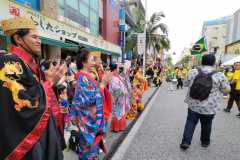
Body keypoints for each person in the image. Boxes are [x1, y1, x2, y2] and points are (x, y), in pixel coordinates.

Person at [0, 17, 66, 159]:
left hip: (40, 129)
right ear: (18, 39)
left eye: (39, 37)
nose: (39, 41)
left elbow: (38, 90)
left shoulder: (29, 63)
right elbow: (22, 103)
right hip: (27, 135)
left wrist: (50, 83)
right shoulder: (9, 61)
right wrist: (49, 83)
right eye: (34, 37)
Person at [180, 54, 230, 150]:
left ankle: (186, 142)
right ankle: (205, 142)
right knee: (207, 124)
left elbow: (185, 83)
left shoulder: (193, 71)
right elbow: (226, 90)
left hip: (193, 105)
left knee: (190, 122)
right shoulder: (219, 74)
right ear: (214, 62)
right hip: (209, 107)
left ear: (202, 61)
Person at [70, 49, 107, 159]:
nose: (94, 62)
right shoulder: (83, 78)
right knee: (88, 151)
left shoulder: (86, 76)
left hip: (89, 119)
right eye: (92, 60)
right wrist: (103, 85)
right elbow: (86, 100)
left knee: (91, 151)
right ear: (84, 62)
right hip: (87, 121)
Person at [109, 63, 129, 132]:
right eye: (117, 68)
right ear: (114, 70)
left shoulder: (117, 76)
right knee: (117, 113)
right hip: (117, 98)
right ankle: (116, 128)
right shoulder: (114, 78)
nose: (118, 69)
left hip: (120, 98)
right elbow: (115, 88)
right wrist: (123, 91)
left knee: (119, 112)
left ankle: (118, 127)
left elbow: (124, 81)